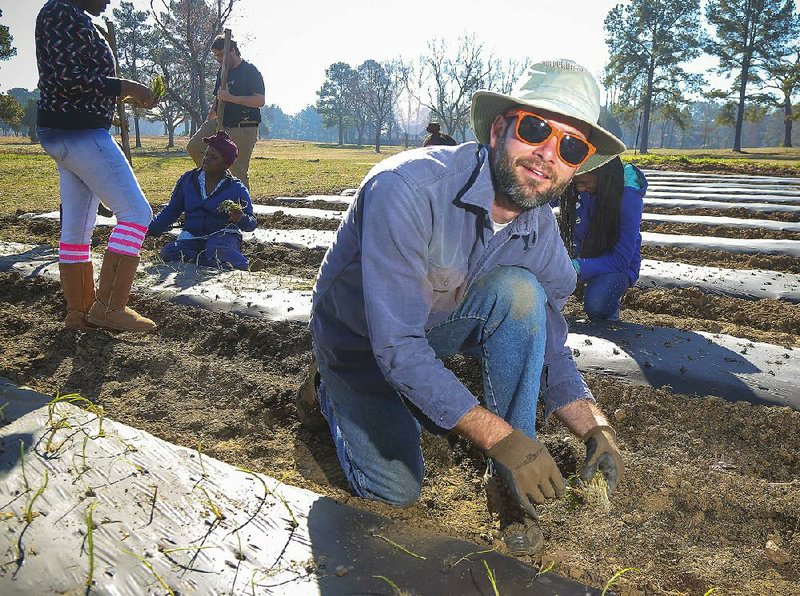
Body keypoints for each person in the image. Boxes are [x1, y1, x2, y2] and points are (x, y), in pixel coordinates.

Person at [297, 60, 627, 556]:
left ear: (578, 166)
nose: (546, 154)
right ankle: (328, 389)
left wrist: (595, 428)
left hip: (429, 329)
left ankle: (508, 483)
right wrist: (502, 438)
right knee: (395, 490)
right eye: (535, 128)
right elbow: (396, 345)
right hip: (361, 341)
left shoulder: (538, 230)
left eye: (570, 145)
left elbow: (551, 345)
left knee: (522, 293)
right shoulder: (406, 189)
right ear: (499, 129)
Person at [36, 0, 156, 332]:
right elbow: (68, 77)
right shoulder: (60, 13)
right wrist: (127, 86)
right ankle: (109, 307)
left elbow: (79, 78)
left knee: (76, 230)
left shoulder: (69, 15)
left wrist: (117, 92)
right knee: (136, 213)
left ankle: (80, 312)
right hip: (79, 130)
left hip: (67, 130)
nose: (108, 2)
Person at [148, 131, 257, 270]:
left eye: (213, 157)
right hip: (192, 237)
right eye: (206, 154)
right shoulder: (188, 180)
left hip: (222, 236)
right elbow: (172, 210)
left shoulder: (236, 188)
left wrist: (240, 218)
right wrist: (151, 229)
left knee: (217, 249)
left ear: (226, 164)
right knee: (170, 252)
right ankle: (212, 262)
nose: (206, 159)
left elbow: (251, 223)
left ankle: (246, 267)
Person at [556, 157, 647, 321]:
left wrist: (577, 266)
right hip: (581, 254)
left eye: (584, 183)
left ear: (603, 175)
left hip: (616, 266)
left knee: (597, 305)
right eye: (575, 183)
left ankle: (610, 310)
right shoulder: (579, 187)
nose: (579, 188)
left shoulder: (628, 197)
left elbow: (621, 259)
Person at [186, 36, 265, 190]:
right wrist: (209, 120)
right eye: (216, 56)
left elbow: (259, 100)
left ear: (233, 50)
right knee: (194, 147)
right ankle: (218, 179)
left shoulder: (250, 71)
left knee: (238, 172)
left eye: (221, 54)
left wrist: (231, 98)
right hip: (221, 124)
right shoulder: (222, 73)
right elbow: (217, 99)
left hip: (244, 127)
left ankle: (242, 210)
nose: (218, 59)